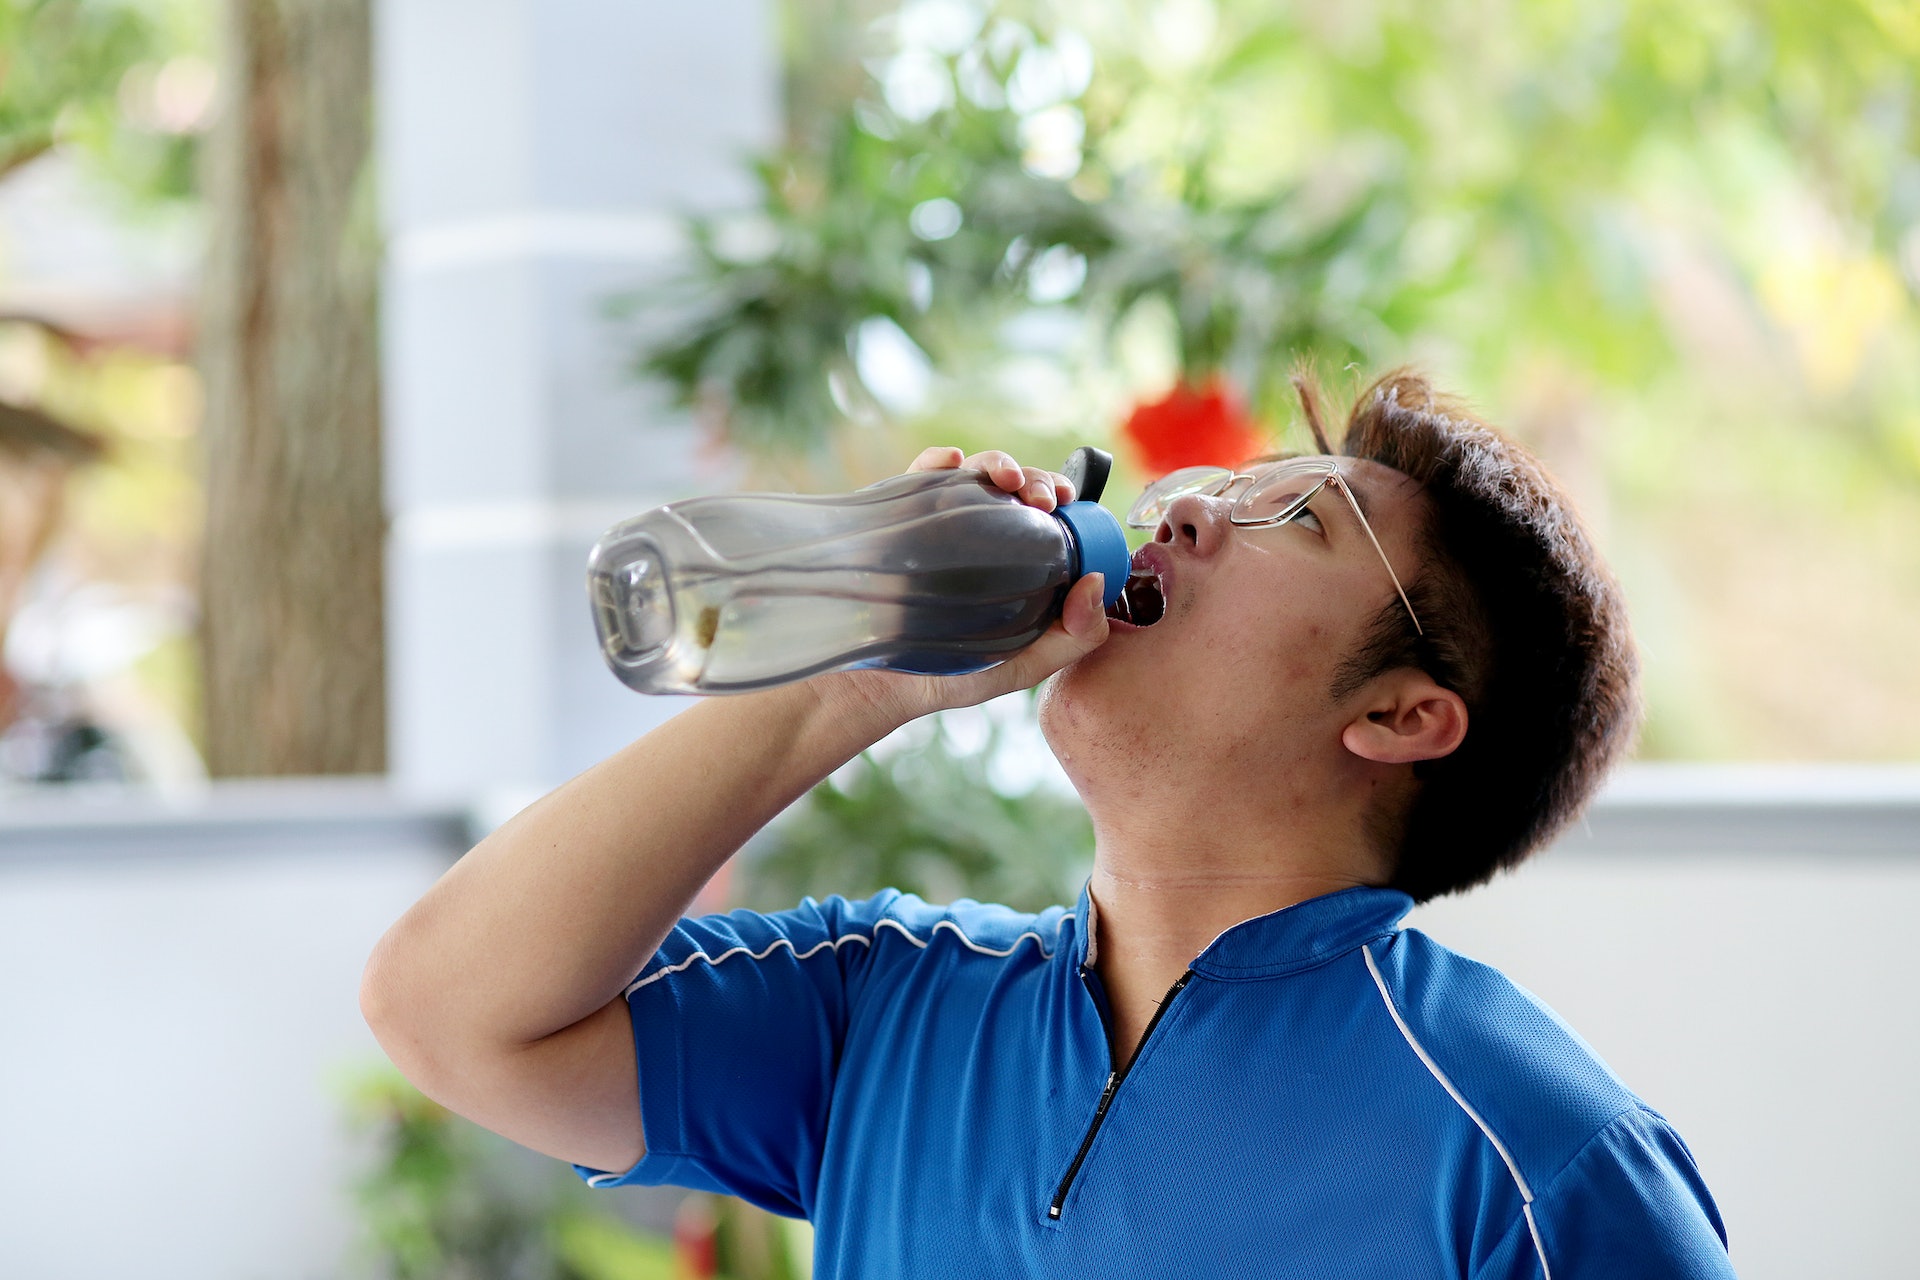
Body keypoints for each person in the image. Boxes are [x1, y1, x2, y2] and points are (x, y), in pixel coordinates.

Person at [362, 369, 1736, 1278]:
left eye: (1295, 519)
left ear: (1398, 716)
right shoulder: (885, 1015)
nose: (1186, 506)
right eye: (1219, 484)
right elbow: (448, 1010)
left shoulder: (1536, 1164)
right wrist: (851, 685)